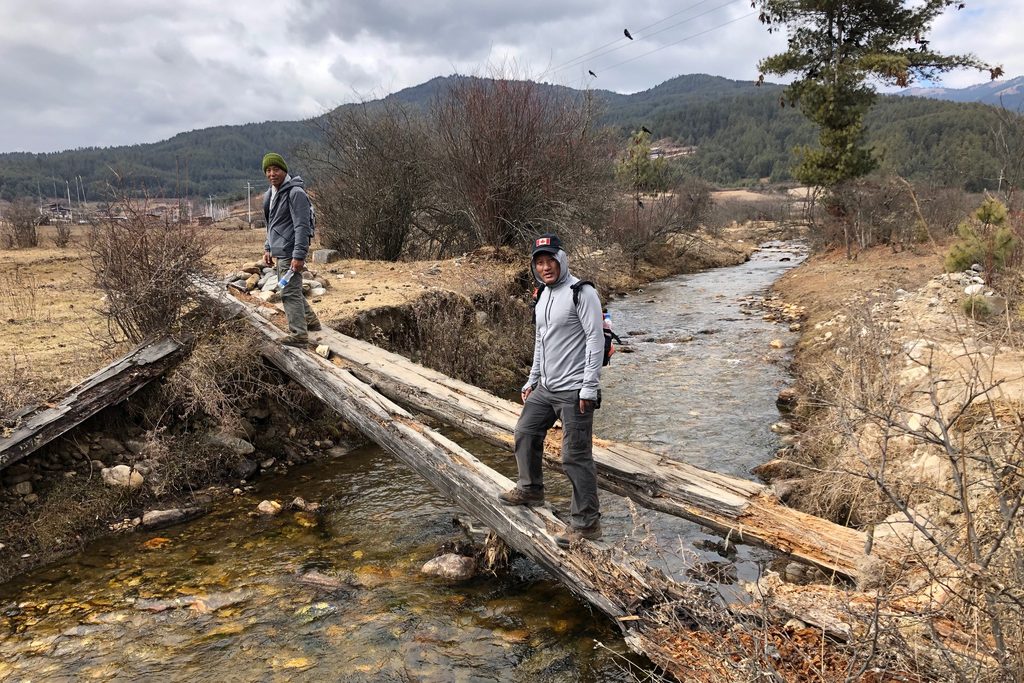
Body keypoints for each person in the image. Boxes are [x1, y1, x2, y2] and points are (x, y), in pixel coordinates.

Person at [499, 233, 604, 548]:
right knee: (525, 431)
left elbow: (596, 340)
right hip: (547, 387)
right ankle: (531, 488)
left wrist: (589, 386)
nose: (545, 267)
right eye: (540, 262)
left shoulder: (581, 293)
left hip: (575, 391)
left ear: (562, 259)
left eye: (550, 260)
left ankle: (586, 524)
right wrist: (532, 379)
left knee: (575, 456)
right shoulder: (542, 294)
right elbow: (540, 341)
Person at [261, 152, 320, 347]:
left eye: (275, 169)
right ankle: (311, 321)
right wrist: (268, 247)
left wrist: (299, 255)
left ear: (284, 170)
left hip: (290, 251)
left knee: (289, 293)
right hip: (279, 250)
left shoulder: (296, 193)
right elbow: (271, 224)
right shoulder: (270, 194)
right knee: (290, 288)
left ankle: (299, 335)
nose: (272, 174)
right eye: (268, 170)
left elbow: (302, 227)